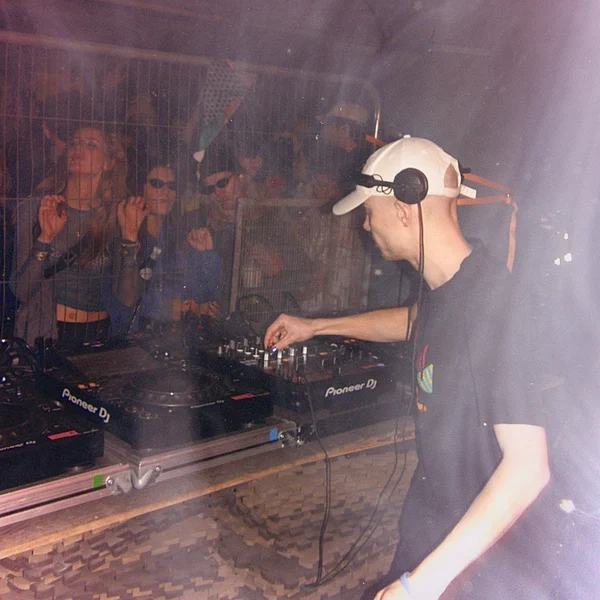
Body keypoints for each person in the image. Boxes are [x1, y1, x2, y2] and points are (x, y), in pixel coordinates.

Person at [264, 136, 559, 599]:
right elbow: (413, 322)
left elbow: (528, 469)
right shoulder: (452, 287)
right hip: (431, 533)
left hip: (478, 562)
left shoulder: (496, 305)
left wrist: (421, 584)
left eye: (369, 211)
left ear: (403, 208)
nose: (365, 223)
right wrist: (315, 326)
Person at [12, 124, 146, 346]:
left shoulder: (115, 217)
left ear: (108, 163)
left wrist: (130, 238)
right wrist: (44, 239)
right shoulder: (39, 209)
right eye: (74, 143)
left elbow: (128, 298)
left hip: (97, 334)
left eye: (91, 145)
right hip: (47, 334)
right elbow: (20, 291)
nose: (78, 149)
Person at [110, 163, 221, 334]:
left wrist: (206, 254)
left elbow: (206, 292)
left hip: (172, 338)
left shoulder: (179, 237)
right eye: (156, 183)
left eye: (171, 186)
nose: (165, 191)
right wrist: (169, 307)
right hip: (131, 338)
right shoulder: (123, 234)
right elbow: (124, 299)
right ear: (142, 188)